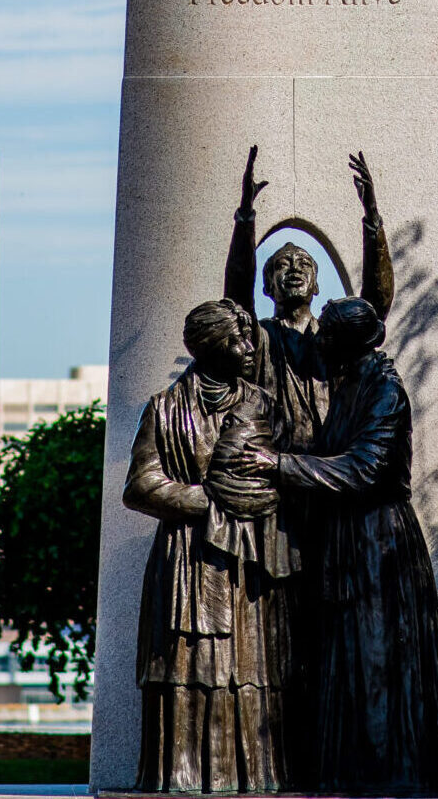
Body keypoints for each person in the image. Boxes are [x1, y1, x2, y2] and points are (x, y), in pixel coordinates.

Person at [238, 297, 438, 795]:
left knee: (378, 662)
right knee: (346, 662)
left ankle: (389, 778)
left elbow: (364, 469)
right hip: (344, 541)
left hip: (378, 544)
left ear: (344, 342)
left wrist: (279, 465)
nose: (315, 340)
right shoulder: (349, 386)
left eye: (324, 334)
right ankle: (346, 774)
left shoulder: (385, 390)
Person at [123, 299, 297, 794]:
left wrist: (256, 494)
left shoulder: (264, 404)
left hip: (250, 561)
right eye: (238, 339)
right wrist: (205, 500)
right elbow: (140, 485)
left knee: (250, 670)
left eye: (249, 338)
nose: (248, 348)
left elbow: (284, 471)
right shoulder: (164, 407)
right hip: (188, 558)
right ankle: (182, 777)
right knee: (187, 667)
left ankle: (253, 777)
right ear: (209, 346)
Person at [223, 146, 394, 450]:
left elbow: (374, 309)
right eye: (281, 265)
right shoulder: (262, 338)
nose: (294, 269)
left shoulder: (335, 338)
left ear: (316, 286)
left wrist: (373, 219)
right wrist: (245, 217)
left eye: (303, 264)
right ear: (267, 287)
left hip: (331, 471)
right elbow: (236, 299)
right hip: (275, 469)